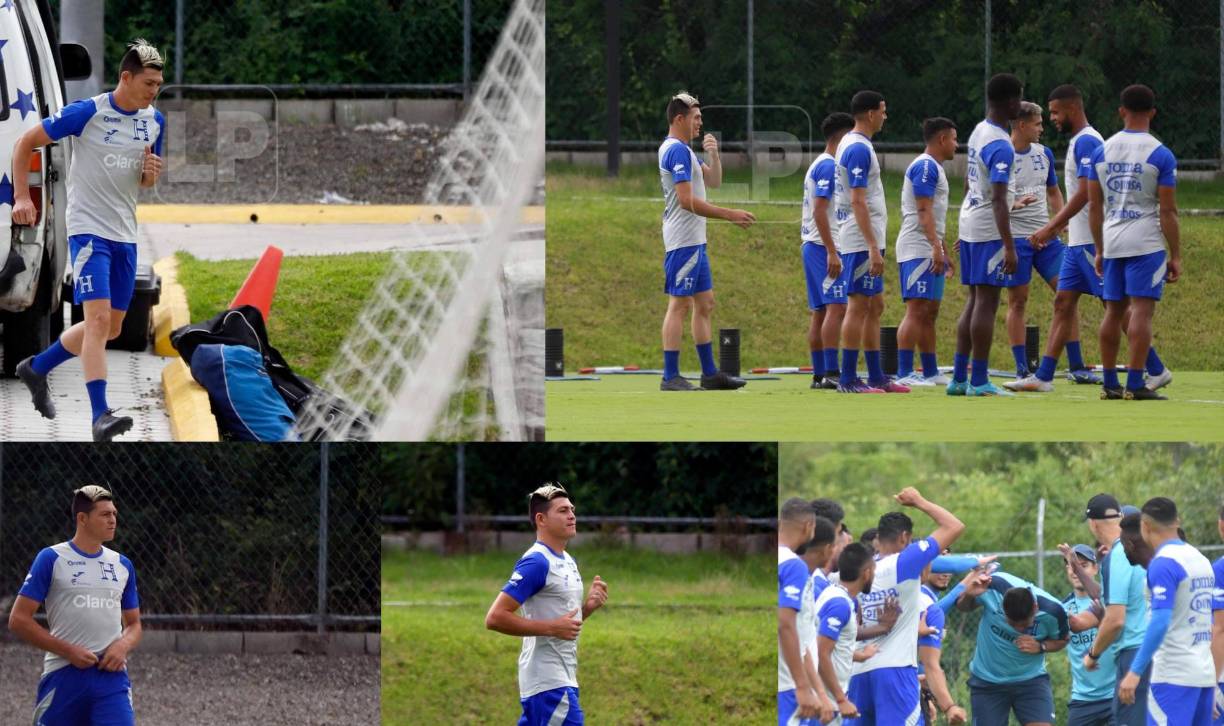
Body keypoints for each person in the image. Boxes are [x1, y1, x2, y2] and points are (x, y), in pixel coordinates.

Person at [14, 40, 166, 441]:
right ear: (126, 78)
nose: (154, 91)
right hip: (88, 231)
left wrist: (150, 174)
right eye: (148, 83)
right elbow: (25, 142)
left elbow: (144, 180)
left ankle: (36, 368)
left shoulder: (154, 121)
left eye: (159, 85)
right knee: (96, 322)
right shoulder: (88, 113)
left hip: (125, 236)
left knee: (111, 328)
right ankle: (100, 415)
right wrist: (21, 197)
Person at [7, 486, 142, 726]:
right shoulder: (51, 558)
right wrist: (69, 651)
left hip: (111, 679)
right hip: (62, 675)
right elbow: (18, 620)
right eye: (105, 514)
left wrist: (123, 645)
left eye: (114, 514)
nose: (113, 520)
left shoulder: (122, 565)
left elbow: (134, 625)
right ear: (82, 518)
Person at [1085, 84, 1180, 401]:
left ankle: (1110, 384)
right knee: (1141, 310)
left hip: (1112, 239)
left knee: (1113, 312)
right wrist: (1176, 255)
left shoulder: (1101, 151)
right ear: (1152, 112)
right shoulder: (1161, 154)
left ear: (1121, 111)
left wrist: (1099, 248)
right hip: (1146, 242)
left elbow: (1094, 207)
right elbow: (1167, 211)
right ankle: (1136, 383)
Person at [484, 484, 609, 725]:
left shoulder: (568, 561)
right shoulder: (537, 562)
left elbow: (562, 623)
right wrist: (551, 628)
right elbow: (495, 617)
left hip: (562, 680)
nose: (572, 515)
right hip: (549, 684)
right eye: (563, 511)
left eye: (572, 509)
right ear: (541, 519)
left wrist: (587, 608)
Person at [656, 91, 754, 391]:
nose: (700, 123)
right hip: (683, 241)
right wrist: (729, 214)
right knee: (680, 304)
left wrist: (714, 155)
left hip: (694, 240)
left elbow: (713, 181)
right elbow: (686, 201)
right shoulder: (675, 151)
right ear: (679, 119)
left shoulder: (685, 151)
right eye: (696, 118)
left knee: (705, 303)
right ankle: (670, 376)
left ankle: (710, 374)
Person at [842, 487, 965, 725]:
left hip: (858, 674)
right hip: (895, 671)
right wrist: (919, 501)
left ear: (878, 538)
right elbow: (954, 526)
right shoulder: (903, 561)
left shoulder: (859, 569)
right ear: (904, 538)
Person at [950, 73, 1023, 397]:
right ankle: (979, 379)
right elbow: (998, 199)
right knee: (987, 301)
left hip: (970, 220)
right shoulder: (1001, 145)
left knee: (974, 299)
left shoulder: (979, 131)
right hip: (987, 228)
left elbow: (969, 182)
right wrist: (1009, 246)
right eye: (1019, 98)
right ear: (1011, 101)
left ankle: (958, 379)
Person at [1117, 498, 1216, 725]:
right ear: (1176, 521)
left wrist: (1135, 671)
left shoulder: (1163, 563)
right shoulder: (1201, 560)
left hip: (1173, 676)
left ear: (1145, 526)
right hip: (1203, 674)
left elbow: (1160, 620)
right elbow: (1207, 620)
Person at [833, 91, 907, 393]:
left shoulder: (855, 144)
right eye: (883, 111)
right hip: (860, 240)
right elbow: (857, 200)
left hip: (866, 237)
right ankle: (848, 378)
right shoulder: (858, 149)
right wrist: (872, 246)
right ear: (871, 114)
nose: (885, 117)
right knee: (859, 305)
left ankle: (876, 375)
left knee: (875, 305)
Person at [999, 102, 1066, 383]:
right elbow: (988, 198)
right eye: (1038, 124)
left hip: (1047, 239)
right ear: (1022, 125)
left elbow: (1054, 192)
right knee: (1018, 302)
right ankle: (1022, 368)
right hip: (1016, 239)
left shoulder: (1044, 153)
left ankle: (1076, 365)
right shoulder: (1001, 154)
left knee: (1067, 294)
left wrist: (1059, 224)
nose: (1042, 129)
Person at [954, 569, 1069, 726]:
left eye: (1025, 625)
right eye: (1012, 624)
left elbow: (1063, 640)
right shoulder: (992, 586)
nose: (1019, 630)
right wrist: (968, 595)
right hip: (988, 682)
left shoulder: (1054, 611)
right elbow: (962, 607)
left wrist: (1041, 646)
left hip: (1031, 681)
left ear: (1035, 608)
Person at [893, 117, 957, 387]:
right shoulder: (925, 166)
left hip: (929, 246)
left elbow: (935, 216)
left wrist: (943, 248)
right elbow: (923, 211)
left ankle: (930, 371)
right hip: (917, 247)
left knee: (930, 311)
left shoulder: (936, 168)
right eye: (954, 139)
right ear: (942, 139)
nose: (956, 145)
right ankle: (904, 372)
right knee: (916, 309)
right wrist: (935, 246)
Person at [1083, 494, 1151, 725]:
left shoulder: (1118, 555)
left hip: (1134, 653)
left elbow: (1115, 620)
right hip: (1160, 648)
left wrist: (1092, 654)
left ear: (1093, 523)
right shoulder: (1145, 550)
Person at [804, 113, 856, 390]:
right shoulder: (828, 166)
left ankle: (819, 373)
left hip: (815, 245)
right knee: (837, 308)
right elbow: (820, 210)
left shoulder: (821, 164)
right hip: (821, 245)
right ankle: (831, 372)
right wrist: (832, 251)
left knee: (822, 312)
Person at [815, 543, 879, 725]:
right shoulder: (840, 605)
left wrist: (860, 656)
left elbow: (832, 647)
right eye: (874, 571)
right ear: (866, 573)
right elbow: (821, 652)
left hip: (829, 699)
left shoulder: (834, 594)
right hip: (827, 703)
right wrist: (841, 699)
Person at [1059, 544, 1119, 726]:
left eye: (1082, 565)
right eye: (1071, 565)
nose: (1075, 571)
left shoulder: (1112, 599)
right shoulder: (1063, 608)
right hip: (1083, 698)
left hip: (1116, 693)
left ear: (1095, 568)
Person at [779, 498, 822, 724]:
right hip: (787, 686)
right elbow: (785, 623)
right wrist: (803, 686)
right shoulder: (793, 565)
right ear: (808, 526)